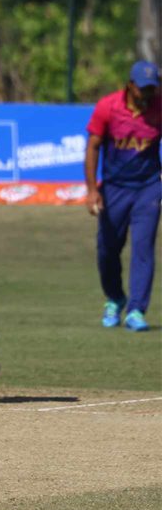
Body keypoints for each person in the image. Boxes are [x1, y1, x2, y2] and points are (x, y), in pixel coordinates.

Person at [84, 60, 161, 331]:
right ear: (130, 86)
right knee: (107, 249)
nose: (148, 94)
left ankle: (137, 310)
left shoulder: (159, 105)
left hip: (148, 187)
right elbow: (93, 147)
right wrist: (93, 190)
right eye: (143, 89)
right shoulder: (108, 107)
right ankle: (115, 299)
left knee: (143, 247)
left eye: (152, 88)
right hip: (114, 187)